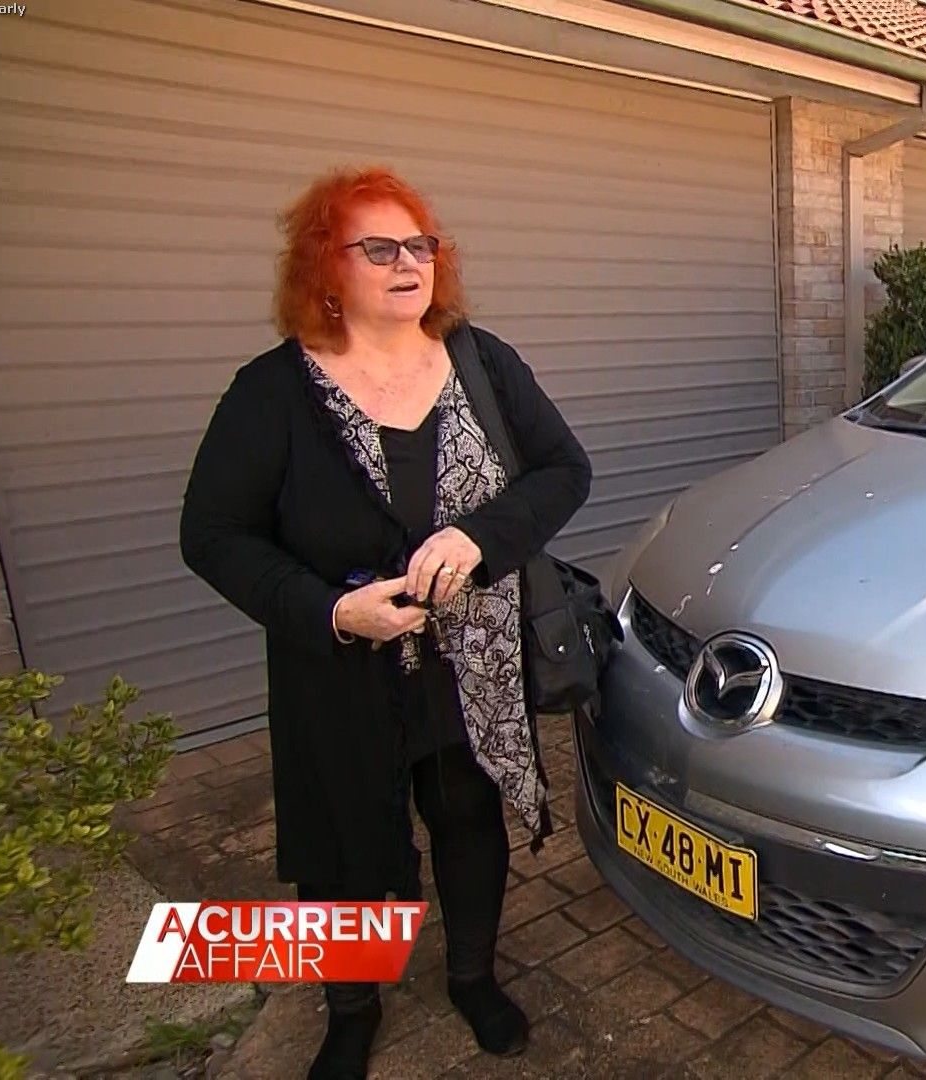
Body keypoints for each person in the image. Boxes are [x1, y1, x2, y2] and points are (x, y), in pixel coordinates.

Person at [180, 166, 592, 1078]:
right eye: (379, 248)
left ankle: (473, 976)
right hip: (337, 673)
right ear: (324, 268)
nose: (409, 263)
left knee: (468, 818)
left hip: (471, 666)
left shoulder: (481, 361)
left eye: (420, 245)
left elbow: (565, 470)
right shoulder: (272, 392)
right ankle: (352, 1009)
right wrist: (330, 610)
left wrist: (480, 538)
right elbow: (211, 535)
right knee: (341, 849)